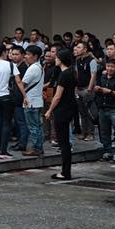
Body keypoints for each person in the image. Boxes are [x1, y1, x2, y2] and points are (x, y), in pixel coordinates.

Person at [45, 48, 78, 180]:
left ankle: (65, 172)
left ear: (62, 59)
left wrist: (49, 110)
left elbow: (57, 96)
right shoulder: (72, 72)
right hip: (69, 108)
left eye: (57, 57)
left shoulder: (64, 74)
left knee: (63, 142)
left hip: (62, 109)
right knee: (64, 142)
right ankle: (65, 170)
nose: (55, 59)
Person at [95, 58, 115, 163]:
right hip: (103, 108)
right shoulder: (102, 77)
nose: (109, 69)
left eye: (112, 67)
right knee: (104, 132)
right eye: (108, 66)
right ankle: (107, 152)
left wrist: (110, 91)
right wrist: (97, 89)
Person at [21, 45, 46, 156]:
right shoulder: (40, 67)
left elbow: (22, 84)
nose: (25, 56)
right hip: (37, 101)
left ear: (35, 56)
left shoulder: (32, 68)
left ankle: (36, 148)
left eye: (28, 54)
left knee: (33, 127)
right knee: (38, 126)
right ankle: (39, 147)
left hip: (30, 101)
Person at [73, 41, 98, 141]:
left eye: (79, 48)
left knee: (89, 112)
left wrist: (89, 89)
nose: (77, 50)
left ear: (85, 49)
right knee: (82, 113)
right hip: (78, 88)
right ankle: (84, 132)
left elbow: (93, 75)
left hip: (87, 88)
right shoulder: (78, 60)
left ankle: (91, 133)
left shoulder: (91, 60)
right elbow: (77, 74)